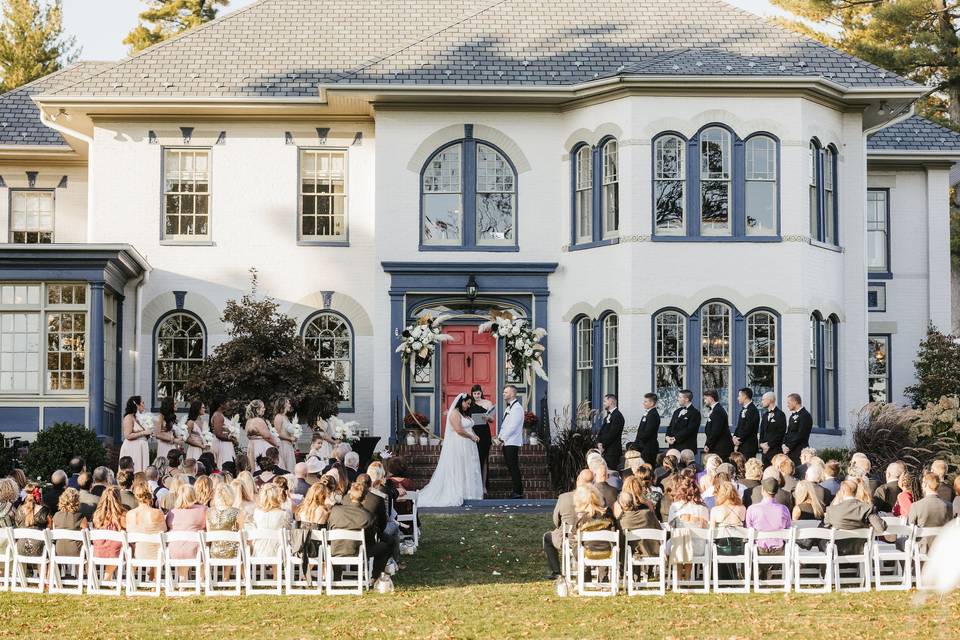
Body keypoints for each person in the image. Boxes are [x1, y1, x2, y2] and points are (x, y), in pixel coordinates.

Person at [416, 393, 484, 507]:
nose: (468, 406)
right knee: (460, 468)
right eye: (467, 403)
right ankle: (460, 493)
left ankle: (470, 493)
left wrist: (475, 435)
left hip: (469, 446)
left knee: (468, 468)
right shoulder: (454, 414)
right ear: (461, 402)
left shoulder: (464, 415)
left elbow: (468, 428)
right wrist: (472, 437)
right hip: (460, 444)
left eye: (469, 404)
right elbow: (459, 430)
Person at [327, 479, 391, 582]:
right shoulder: (368, 516)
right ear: (365, 498)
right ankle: (374, 578)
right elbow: (370, 541)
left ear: (350, 496)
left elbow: (329, 528)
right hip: (357, 550)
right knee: (384, 547)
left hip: (335, 549)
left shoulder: (335, 511)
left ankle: (337, 577)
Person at [543, 469, 591, 579]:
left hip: (568, 538)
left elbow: (556, 521)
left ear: (578, 480)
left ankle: (556, 572)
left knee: (547, 537)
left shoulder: (564, 497)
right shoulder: (596, 498)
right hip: (591, 540)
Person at [824, 480, 887, 555]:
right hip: (860, 551)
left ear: (842, 492)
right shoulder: (867, 508)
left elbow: (825, 529)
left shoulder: (832, 510)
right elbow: (881, 527)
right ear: (856, 492)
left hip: (838, 551)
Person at [745, 477, 792, 576]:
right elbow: (788, 529)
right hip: (780, 551)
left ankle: (761, 572)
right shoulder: (784, 509)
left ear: (762, 490)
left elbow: (749, 531)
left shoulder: (752, 509)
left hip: (760, 550)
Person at [666, 474, 709, 579]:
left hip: (679, 547)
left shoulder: (675, 506)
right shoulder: (703, 508)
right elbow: (706, 528)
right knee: (684, 540)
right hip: (699, 548)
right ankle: (688, 577)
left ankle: (679, 578)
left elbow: (670, 526)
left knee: (678, 540)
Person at [126, 482, 167, 571]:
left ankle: (134, 576)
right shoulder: (158, 513)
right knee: (158, 543)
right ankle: (154, 575)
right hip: (155, 555)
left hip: (137, 554)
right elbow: (164, 532)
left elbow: (130, 536)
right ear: (150, 494)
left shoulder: (130, 514)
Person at [165, 484, 207, 567]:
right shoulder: (203, 510)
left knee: (181, 545)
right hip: (196, 552)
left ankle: (182, 578)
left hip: (174, 552)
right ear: (194, 495)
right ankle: (201, 578)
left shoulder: (172, 512)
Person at [91, 486, 126, 580]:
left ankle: (108, 577)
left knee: (114, 544)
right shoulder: (122, 515)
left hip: (98, 549)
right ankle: (107, 576)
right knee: (123, 544)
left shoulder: (97, 515)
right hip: (115, 552)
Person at [206, 484, 241, 577]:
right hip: (231, 551)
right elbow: (241, 532)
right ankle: (226, 577)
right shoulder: (236, 512)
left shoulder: (209, 512)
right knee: (234, 544)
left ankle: (211, 575)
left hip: (213, 550)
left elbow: (208, 533)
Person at [468, 384, 495, 495]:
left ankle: (483, 486)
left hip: (484, 433)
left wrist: (487, 417)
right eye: (474, 394)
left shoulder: (487, 403)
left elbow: (492, 419)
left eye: (478, 393)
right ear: (472, 394)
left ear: (481, 393)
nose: (476, 396)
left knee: (483, 460)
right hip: (472, 433)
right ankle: (474, 485)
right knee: (473, 460)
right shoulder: (469, 404)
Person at [499, 384, 525, 499]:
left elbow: (513, 427)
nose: (503, 394)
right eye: (504, 392)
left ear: (513, 394)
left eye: (506, 392)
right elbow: (505, 425)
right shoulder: (508, 407)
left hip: (512, 442)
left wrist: (502, 438)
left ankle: (518, 491)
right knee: (510, 466)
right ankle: (516, 489)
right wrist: (500, 436)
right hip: (507, 441)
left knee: (513, 466)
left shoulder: (517, 408)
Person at [14, 483, 50, 556]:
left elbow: (17, 525)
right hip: (38, 550)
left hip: (20, 548)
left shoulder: (19, 509)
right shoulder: (44, 510)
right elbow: (49, 529)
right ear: (38, 494)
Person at [51, 488, 87, 557]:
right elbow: (87, 536)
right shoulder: (80, 516)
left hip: (58, 550)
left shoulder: (56, 515)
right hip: (76, 552)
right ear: (77, 501)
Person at [119, 395, 151, 473]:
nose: (144, 404)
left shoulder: (138, 418)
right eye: (142, 402)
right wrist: (144, 432)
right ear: (136, 404)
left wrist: (148, 434)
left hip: (141, 448)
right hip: (133, 448)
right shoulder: (128, 417)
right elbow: (127, 435)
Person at [245, 399, 278, 471]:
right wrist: (276, 445)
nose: (264, 409)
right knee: (262, 467)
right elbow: (267, 436)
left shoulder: (248, 421)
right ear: (257, 410)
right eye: (263, 407)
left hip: (252, 446)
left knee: (253, 467)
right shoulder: (259, 420)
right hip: (260, 446)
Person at [782, 393, 812, 466]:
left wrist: (789, 447)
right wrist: (784, 444)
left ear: (795, 402)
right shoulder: (792, 416)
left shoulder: (805, 415)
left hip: (800, 451)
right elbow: (788, 432)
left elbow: (801, 434)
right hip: (790, 452)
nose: (787, 405)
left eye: (789, 403)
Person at [666, 390, 700, 455]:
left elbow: (689, 430)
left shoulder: (695, 413)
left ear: (686, 399)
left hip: (686, 448)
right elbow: (670, 426)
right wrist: (667, 437)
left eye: (680, 397)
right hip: (673, 448)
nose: (677, 399)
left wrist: (675, 438)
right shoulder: (677, 411)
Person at [631, 393, 661, 467]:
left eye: (646, 401)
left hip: (648, 448)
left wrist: (638, 443)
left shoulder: (653, 415)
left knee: (647, 468)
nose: (643, 403)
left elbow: (648, 432)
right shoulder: (648, 413)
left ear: (652, 403)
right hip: (643, 446)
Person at [702, 390, 733, 461]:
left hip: (721, 448)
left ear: (711, 398)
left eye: (705, 399)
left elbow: (716, 431)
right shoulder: (714, 410)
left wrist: (708, 444)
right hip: (716, 446)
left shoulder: (718, 411)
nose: (704, 401)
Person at [597, 394, 625, 472]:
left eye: (605, 401)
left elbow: (613, 434)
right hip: (606, 451)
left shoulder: (618, 416)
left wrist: (603, 445)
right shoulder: (608, 416)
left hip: (613, 452)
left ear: (611, 401)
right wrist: (599, 442)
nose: (603, 403)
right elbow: (601, 431)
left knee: (611, 473)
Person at [208, 395, 236, 470]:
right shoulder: (218, 416)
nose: (228, 404)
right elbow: (218, 434)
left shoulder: (220, 415)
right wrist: (231, 439)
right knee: (224, 465)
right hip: (222, 445)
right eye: (226, 402)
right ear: (221, 404)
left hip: (225, 443)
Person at [758, 392, 786, 467]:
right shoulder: (764, 415)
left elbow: (781, 433)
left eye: (763, 400)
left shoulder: (780, 414)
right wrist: (761, 444)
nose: (762, 402)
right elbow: (762, 432)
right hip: (764, 452)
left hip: (775, 451)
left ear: (769, 400)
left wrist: (769, 445)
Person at [273, 397, 298, 473]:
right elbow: (278, 434)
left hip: (289, 445)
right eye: (287, 403)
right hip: (282, 445)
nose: (289, 405)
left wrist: (295, 435)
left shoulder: (286, 417)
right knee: (285, 467)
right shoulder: (278, 417)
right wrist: (290, 438)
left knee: (291, 466)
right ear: (282, 404)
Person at [732, 388, 760, 460]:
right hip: (741, 446)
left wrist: (739, 440)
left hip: (748, 446)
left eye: (739, 396)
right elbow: (739, 426)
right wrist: (734, 436)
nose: (738, 398)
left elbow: (749, 428)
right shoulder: (743, 410)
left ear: (745, 397)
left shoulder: (753, 410)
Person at [154, 397, 184, 462]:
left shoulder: (172, 418)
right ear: (170, 405)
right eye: (175, 403)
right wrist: (174, 440)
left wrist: (180, 436)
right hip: (164, 445)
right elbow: (157, 434)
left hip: (173, 446)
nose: (177, 405)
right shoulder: (160, 417)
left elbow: (172, 431)